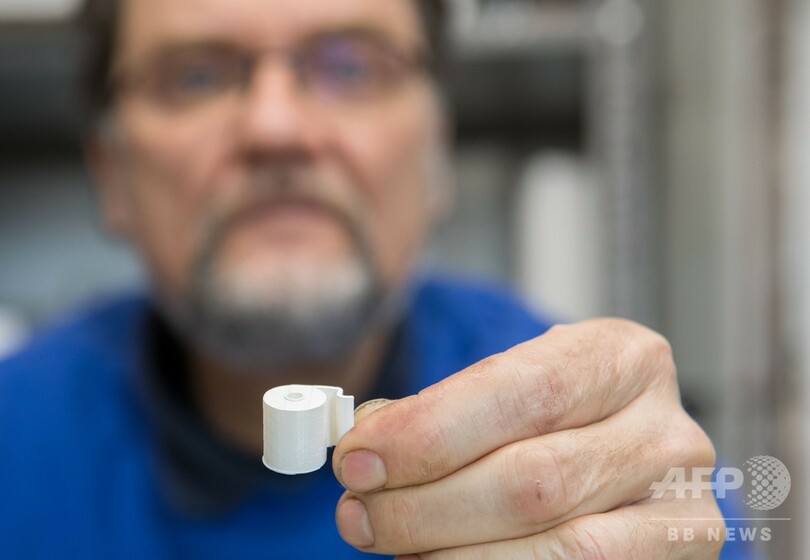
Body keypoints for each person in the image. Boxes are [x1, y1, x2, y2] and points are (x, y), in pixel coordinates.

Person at [0, 0, 749, 558]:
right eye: (195, 76)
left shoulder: (583, 445)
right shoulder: (17, 445)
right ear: (111, 173)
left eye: (349, 66)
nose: (276, 128)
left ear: (435, 151)